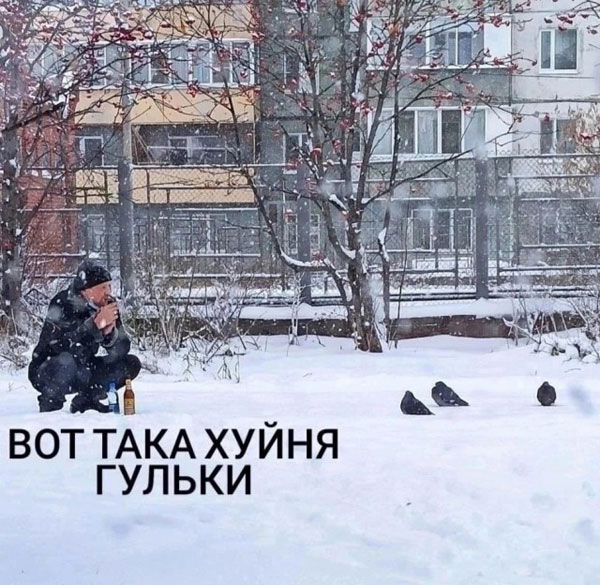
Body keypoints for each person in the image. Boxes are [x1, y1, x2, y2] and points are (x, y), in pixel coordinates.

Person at [28, 260, 141, 413]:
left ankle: (87, 400)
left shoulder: (107, 304)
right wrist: (93, 327)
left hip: (84, 368)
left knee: (131, 363)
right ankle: (51, 404)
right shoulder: (64, 303)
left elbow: (123, 348)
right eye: (102, 287)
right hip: (47, 369)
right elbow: (60, 346)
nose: (108, 292)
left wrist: (109, 334)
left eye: (109, 286)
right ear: (87, 290)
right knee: (66, 361)